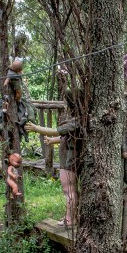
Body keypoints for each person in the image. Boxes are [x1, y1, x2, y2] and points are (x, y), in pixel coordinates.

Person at [25, 87, 82, 227]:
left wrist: (36, 128)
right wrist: (53, 140)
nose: (65, 104)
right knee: (71, 190)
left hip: (70, 161)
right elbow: (66, 136)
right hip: (69, 160)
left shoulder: (76, 121)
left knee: (68, 190)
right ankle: (71, 217)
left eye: (66, 102)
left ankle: (70, 220)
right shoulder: (79, 120)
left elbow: (55, 130)